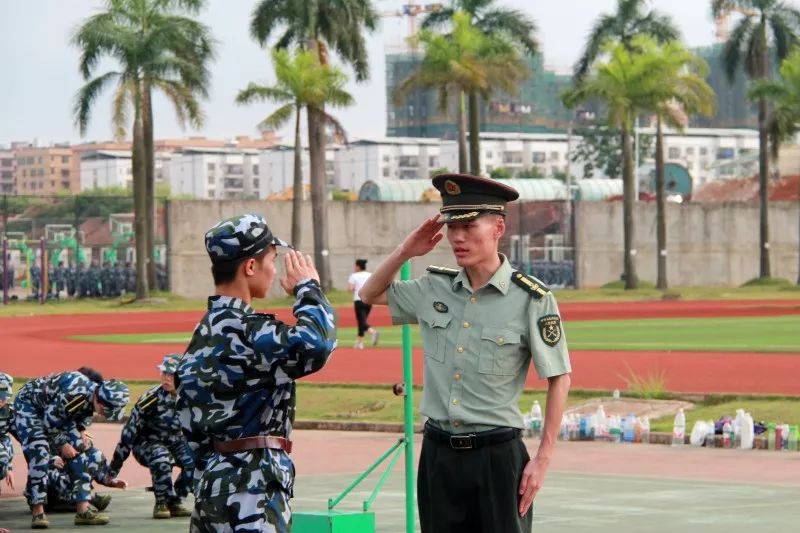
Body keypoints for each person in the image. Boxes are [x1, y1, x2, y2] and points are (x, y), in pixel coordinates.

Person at [360, 173, 572, 533]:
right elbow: (369, 294)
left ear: (498, 227)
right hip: (439, 456)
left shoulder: (532, 299)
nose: (457, 237)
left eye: (469, 226)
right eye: (452, 226)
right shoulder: (434, 288)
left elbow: (559, 376)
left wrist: (543, 458)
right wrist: (405, 251)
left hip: (497, 459)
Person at [176, 213, 337, 532]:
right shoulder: (252, 332)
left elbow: (186, 418)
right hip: (254, 490)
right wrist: (309, 290)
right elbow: (317, 345)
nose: (275, 269)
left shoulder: (204, 332)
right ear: (250, 267)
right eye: (272, 260)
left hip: (212, 483)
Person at [14, 371, 129, 528]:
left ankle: (83, 511)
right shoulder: (75, 395)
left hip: (55, 411)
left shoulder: (92, 396)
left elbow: (77, 416)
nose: (103, 414)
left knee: (80, 452)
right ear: (98, 399)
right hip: (30, 407)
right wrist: (63, 444)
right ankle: (38, 512)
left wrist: (80, 433)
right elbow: (50, 421)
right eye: (105, 409)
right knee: (39, 452)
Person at [108, 354, 194, 519]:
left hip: (175, 442)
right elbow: (129, 433)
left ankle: (175, 502)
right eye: (163, 373)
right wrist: (114, 467)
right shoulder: (151, 399)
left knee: (195, 461)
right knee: (162, 458)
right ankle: (161, 502)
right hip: (147, 443)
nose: (166, 378)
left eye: (171, 374)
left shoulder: (190, 397)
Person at [347, 259, 379, 349]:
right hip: (369, 300)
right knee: (362, 322)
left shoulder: (354, 275)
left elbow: (350, 289)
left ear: (358, 266)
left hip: (359, 300)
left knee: (361, 321)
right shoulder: (370, 275)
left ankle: (373, 332)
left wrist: (353, 288)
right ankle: (359, 342)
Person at [0, 373, 16, 497]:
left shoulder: (9, 411)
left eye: (5, 397)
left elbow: (25, 437)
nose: (2, 401)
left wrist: (8, 467)